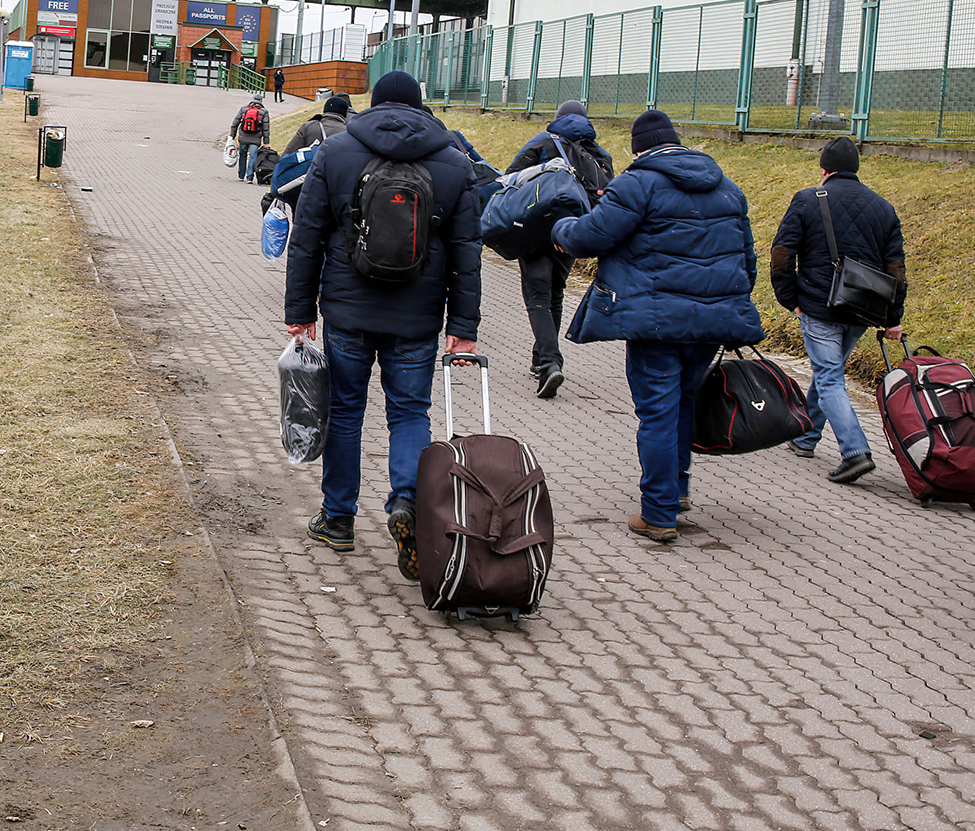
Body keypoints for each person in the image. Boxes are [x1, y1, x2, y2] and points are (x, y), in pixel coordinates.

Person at [284, 70, 482, 580]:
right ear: (420, 107)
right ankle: (408, 504)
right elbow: (466, 254)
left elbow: (306, 237)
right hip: (417, 317)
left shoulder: (336, 152)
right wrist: (463, 325)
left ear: (377, 103)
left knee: (346, 413)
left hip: (347, 313)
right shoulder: (454, 162)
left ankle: (338, 520)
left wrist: (300, 312)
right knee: (411, 413)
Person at [551, 110, 762, 543]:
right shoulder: (728, 190)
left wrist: (561, 228)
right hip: (709, 323)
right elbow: (747, 259)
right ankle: (678, 491)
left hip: (657, 323)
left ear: (638, 147)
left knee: (658, 411)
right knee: (684, 402)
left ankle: (659, 512)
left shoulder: (638, 183)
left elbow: (592, 235)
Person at [768, 136, 905, 485]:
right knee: (828, 373)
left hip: (818, 307)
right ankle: (805, 438)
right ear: (856, 169)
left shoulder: (807, 200)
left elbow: (782, 255)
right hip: (862, 312)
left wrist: (791, 299)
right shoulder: (884, 208)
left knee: (829, 377)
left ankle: (855, 452)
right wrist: (892, 318)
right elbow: (896, 270)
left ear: (824, 169)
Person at [507, 100, 615, 399]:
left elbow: (511, 177)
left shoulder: (543, 142)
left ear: (557, 120)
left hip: (536, 231)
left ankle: (550, 363)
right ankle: (540, 357)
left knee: (538, 295)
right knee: (555, 293)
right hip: (572, 234)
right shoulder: (598, 154)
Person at [281, 94, 350, 154]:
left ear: (325, 109)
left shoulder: (309, 127)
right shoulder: (349, 133)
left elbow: (289, 152)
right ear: (345, 113)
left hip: (309, 168)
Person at [231, 94, 271, 182]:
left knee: (243, 155)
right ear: (261, 101)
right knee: (253, 157)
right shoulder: (264, 112)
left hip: (243, 137)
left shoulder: (244, 109)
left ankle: (241, 175)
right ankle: (250, 177)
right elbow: (266, 128)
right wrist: (266, 142)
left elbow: (235, 123)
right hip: (255, 138)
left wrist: (232, 136)